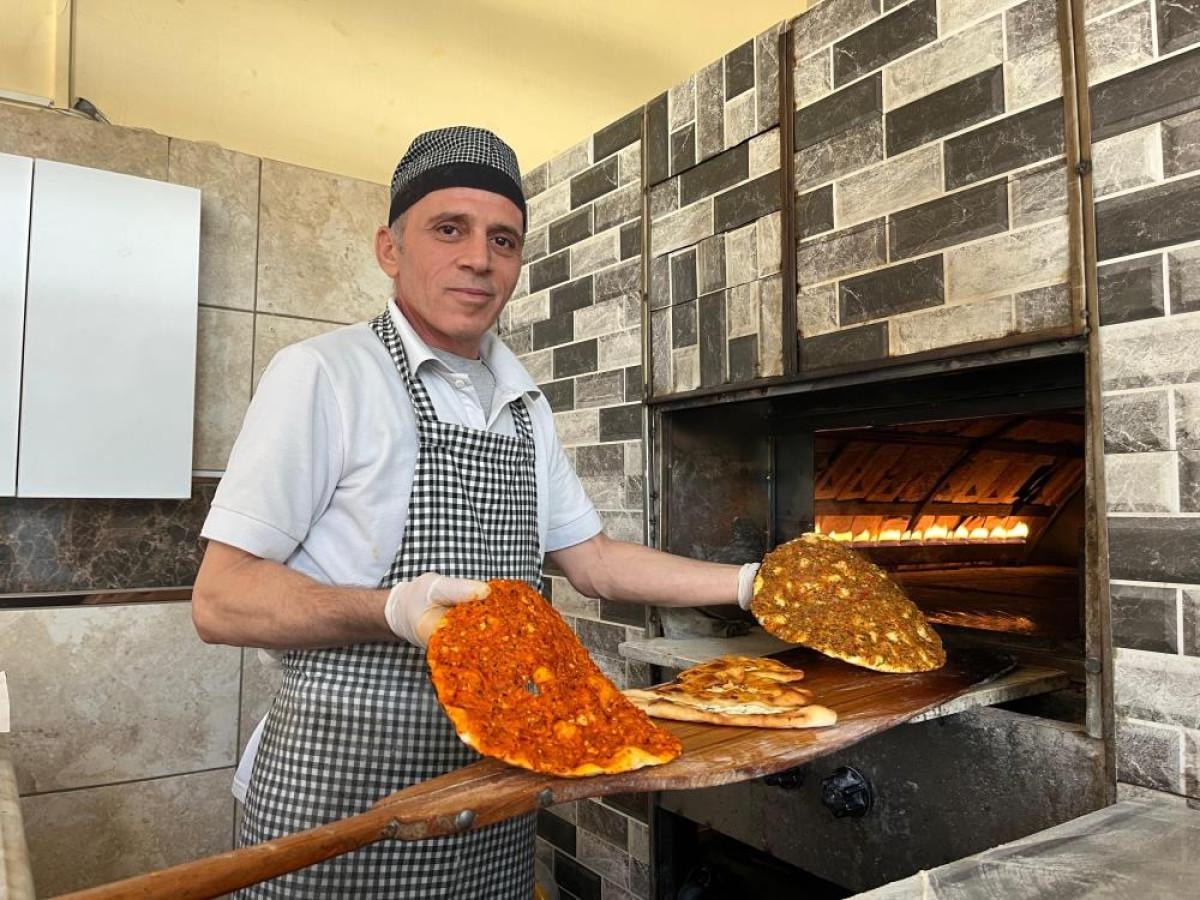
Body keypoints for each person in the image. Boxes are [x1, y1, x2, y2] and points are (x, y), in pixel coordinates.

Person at [192, 126, 760, 899]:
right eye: (449, 229)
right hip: (345, 797)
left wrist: (751, 584)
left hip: (495, 791)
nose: (478, 259)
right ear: (390, 249)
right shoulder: (325, 376)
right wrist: (392, 609)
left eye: (503, 240)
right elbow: (220, 599)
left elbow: (594, 562)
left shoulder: (524, 405)